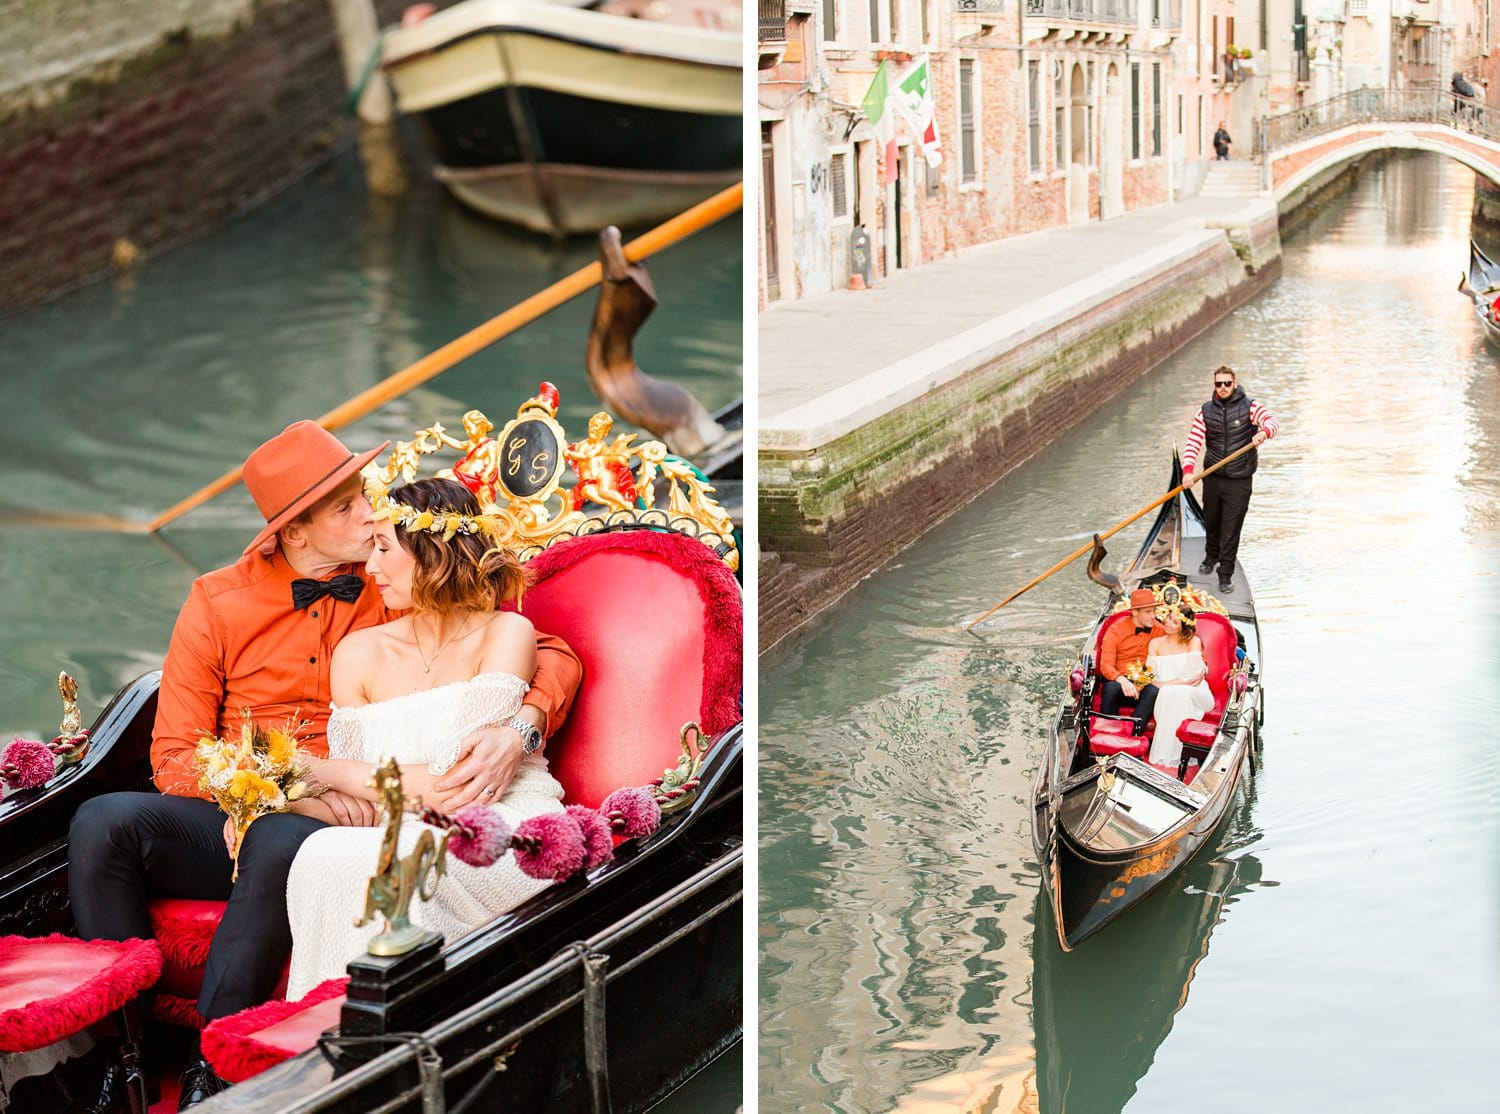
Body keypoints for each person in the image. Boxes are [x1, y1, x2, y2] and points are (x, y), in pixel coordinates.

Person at [66, 422, 581, 1111]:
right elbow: (175, 757)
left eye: (364, 496)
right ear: (294, 533)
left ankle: (212, 1064)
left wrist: (522, 724)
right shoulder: (217, 602)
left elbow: (547, 652)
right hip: (265, 808)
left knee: (282, 839)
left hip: (355, 807)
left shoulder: (392, 574)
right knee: (103, 821)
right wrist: (274, 794)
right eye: (345, 507)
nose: (371, 516)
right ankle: (117, 1056)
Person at [283, 477, 567, 998]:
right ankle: (334, 1023)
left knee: (392, 860)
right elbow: (357, 803)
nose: (369, 568)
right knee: (322, 853)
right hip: (396, 824)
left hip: (499, 821)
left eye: (384, 548)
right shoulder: (357, 653)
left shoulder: (506, 633)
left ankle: (397, 1022)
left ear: (434, 554)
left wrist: (322, 769)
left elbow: (455, 787)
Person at [1181, 365, 1279, 595]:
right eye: (1218, 384)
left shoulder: (1251, 407)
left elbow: (1272, 422)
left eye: (1227, 383)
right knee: (1212, 521)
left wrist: (1263, 432)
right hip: (1213, 477)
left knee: (1230, 528)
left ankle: (1225, 574)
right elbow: (1193, 442)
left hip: (1239, 479)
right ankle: (1210, 555)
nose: (1223, 388)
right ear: (1214, 385)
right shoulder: (1205, 411)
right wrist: (1187, 470)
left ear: (1234, 383)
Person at [1144, 607, 1214, 770]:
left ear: (1184, 626)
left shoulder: (1193, 641)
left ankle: (1174, 754)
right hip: (1169, 692)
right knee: (1170, 692)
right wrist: (1159, 684)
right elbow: (1150, 675)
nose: (1168, 623)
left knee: (1170, 691)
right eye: (1169, 618)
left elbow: (1191, 675)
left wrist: (1164, 685)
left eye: (1175, 622)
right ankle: (1173, 754)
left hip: (1196, 691)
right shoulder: (1155, 643)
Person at [1097, 588, 1164, 736]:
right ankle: (1107, 734)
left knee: (1154, 691)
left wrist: (1202, 664)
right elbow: (1106, 665)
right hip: (1120, 683)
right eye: (1148, 612)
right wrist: (1122, 680)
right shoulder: (1115, 630)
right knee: (1111, 688)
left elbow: (1182, 643)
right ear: (1135, 612)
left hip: (1146, 684)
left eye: (1154, 611)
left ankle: (1132, 734)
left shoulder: (1160, 630)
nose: (1153, 616)